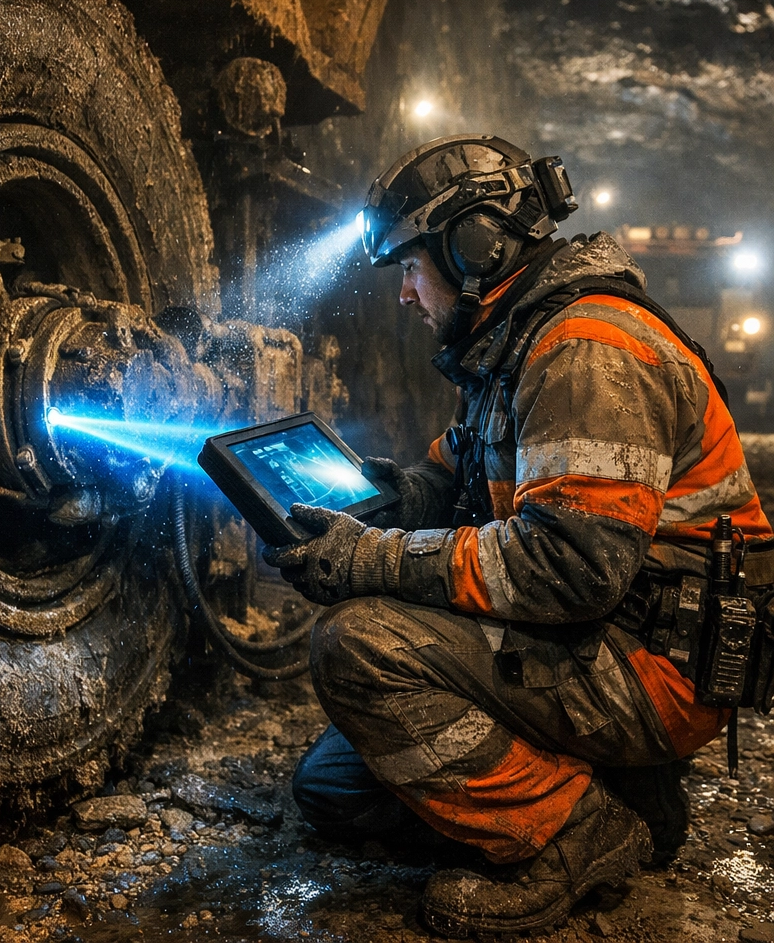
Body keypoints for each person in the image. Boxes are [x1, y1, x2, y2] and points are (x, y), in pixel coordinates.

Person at [264, 135, 773, 936]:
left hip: (651, 661)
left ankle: (578, 834)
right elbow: (455, 478)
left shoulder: (587, 350)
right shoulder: (512, 346)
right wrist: (396, 499)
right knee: (333, 791)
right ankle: (623, 793)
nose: (404, 294)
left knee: (357, 649)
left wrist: (375, 560)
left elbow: (571, 568)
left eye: (408, 267)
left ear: (474, 245)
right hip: (608, 633)